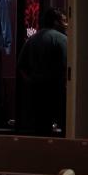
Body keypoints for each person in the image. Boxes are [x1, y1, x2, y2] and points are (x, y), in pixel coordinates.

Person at [16, 7, 68, 136]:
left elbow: (21, 66)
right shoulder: (62, 39)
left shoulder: (32, 39)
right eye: (64, 20)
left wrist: (31, 80)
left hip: (37, 89)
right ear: (56, 22)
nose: (66, 24)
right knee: (64, 125)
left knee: (41, 127)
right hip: (58, 89)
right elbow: (67, 65)